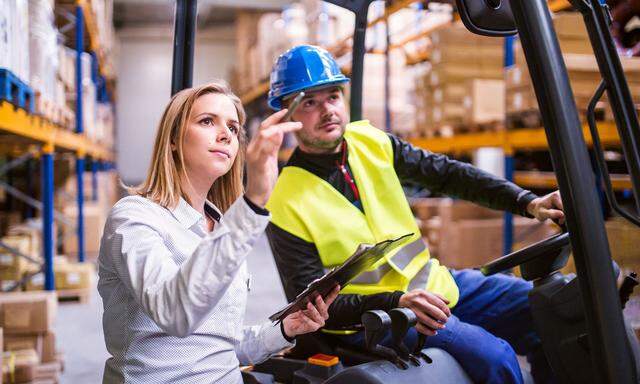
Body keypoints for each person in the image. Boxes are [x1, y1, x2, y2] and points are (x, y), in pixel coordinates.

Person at [265, 45, 565, 384]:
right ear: (286, 117)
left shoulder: (372, 142)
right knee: (494, 356)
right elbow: (312, 308)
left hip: (433, 286)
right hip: (375, 319)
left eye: (333, 96)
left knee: (547, 308)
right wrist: (397, 300)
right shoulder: (285, 201)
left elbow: (447, 174)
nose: (327, 110)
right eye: (309, 102)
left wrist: (527, 202)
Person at [98, 80, 340, 384]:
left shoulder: (221, 226)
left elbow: (216, 347)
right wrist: (251, 204)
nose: (225, 134)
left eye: (234, 128)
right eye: (207, 121)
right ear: (173, 139)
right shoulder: (134, 218)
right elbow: (176, 313)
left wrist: (284, 328)